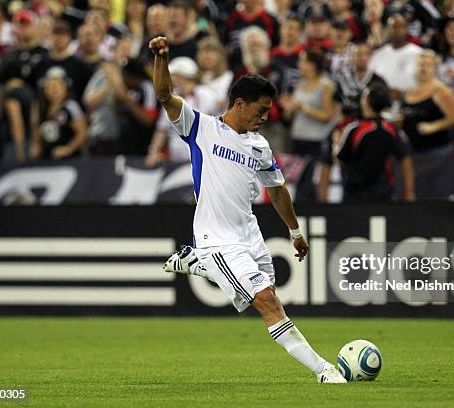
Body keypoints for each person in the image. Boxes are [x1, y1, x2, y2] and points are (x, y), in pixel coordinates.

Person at [148, 35, 346, 383]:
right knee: (266, 301)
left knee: (268, 293)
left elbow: (278, 189)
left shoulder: (260, 145)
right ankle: (324, 370)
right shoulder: (201, 128)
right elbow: (165, 96)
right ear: (239, 104)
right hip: (219, 237)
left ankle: (197, 262)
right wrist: (162, 59)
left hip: (250, 235)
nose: (265, 118)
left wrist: (295, 232)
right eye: (261, 111)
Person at [336, 83, 415, 202]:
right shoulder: (391, 129)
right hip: (383, 192)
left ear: (366, 103)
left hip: (355, 194)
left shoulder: (354, 129)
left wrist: (336, 142)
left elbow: (339, 158)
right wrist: (409, 192)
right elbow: (405, 159)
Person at [399, 50, 454, 153]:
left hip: (435, 151)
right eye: (421, 64)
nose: (424, 68)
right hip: (411, 149)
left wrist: (433, 126)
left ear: (434, 69)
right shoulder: (411, 90)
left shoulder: (441, 90)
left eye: (428, 65)